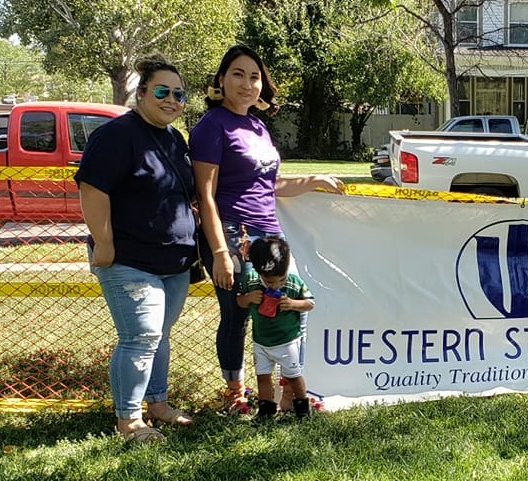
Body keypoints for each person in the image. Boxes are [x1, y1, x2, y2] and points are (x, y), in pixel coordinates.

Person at [190, 44, 341, 413]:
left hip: (271, 233)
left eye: (254, 76)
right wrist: (221, 252)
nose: (247, 83)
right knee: (238, 314)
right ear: (221, 80)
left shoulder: (258, 126)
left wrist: (312, 180)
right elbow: (205, 195)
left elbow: (268, 186)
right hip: (232, 234)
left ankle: (292, 393)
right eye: (238, 74)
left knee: (292, 308)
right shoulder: (211, 126)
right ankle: (235, 394)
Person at [76, 53, 196, 442]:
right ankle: (129, 421)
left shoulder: (175, 139)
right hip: (129, 260)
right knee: (141, 337)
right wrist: (105, 246)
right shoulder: (115, 135)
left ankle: (157, 404)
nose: (172, 100)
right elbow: (93, 189)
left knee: (158, 335)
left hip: (173, 262)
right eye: (163, 91)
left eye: (179, 94)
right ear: (141, 92)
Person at [235, 236, 315, 420]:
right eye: (271, 282)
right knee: (262, 376)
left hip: (287, 341)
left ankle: (303, 407)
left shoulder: (293, 281)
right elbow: (239, 300)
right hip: (261, 341)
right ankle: (266, 410)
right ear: (258, 271)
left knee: (293, 376)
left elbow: (310, 303)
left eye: (281, 279)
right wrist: (248, 299)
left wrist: (293, 304)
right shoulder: (251, 280)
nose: (277, 285)